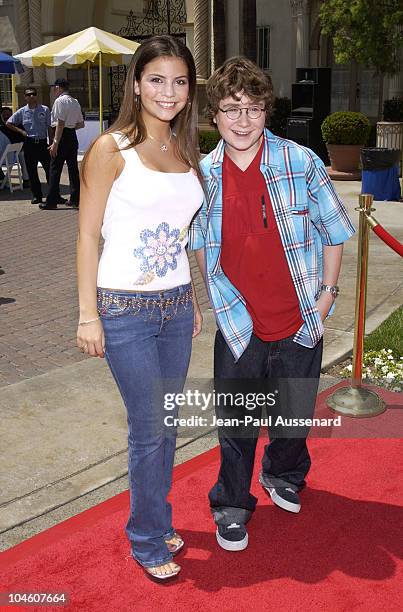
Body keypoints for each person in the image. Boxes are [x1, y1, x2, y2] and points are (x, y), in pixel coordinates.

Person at [189, 57, 355, 552]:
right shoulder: (201, 175)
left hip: (300, 317)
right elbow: (198, 242)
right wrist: (211, 298)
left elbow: (335, 229)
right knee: (236, 425)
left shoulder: (299, 161)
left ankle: (284, 474)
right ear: (214, 117)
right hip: (240, 324)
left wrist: (327, 296)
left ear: (268, 112)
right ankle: (233, 504)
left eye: (254, 109)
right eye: (231, 109)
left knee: (293, 416)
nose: (243, 120)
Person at [77, 35, 203, 580]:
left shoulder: (185, 149)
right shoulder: (111, 149)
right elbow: (86, 236)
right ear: (135, 83)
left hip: (176, 308)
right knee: (150, 426)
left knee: (167, 424)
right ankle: (148, 535)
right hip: (124, 309)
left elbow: (183, 236)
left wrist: (192, 297)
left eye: (179, 81)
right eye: (156, 79)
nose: (168, 92)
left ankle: (155, 516)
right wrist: (88, 314)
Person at [43, 78, 84, 210]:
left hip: (62, 136)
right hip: (71, 135)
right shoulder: (75, 101)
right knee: (72, 169)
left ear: (58, 88)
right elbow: (81, 123)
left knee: (55, 169)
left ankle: (51, 200)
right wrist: (70, 128)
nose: (53, 90)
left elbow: (60, 124)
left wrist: (55, 142)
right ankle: (75, 198)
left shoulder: (60, 101)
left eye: (54, 88)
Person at [3, 97, 46, 195]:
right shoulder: (2, 128)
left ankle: (26, 179)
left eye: (8, 115)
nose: (6, 116)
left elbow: (23, 138)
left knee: (23, 155)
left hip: (17, 150)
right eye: (4, 115)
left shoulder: (18, 126)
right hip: (4, 153)